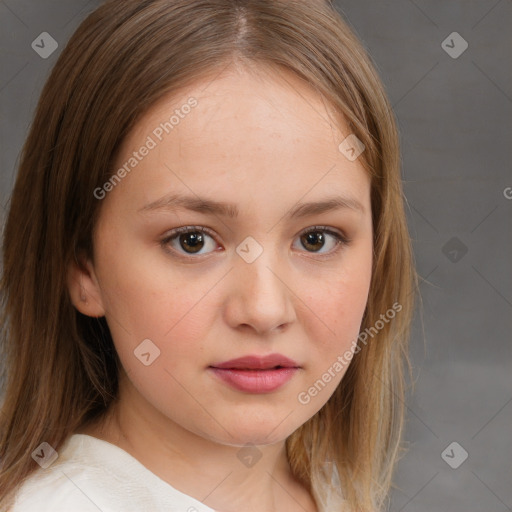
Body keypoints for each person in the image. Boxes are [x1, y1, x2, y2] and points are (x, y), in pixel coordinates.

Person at [0, 1, 417, 511]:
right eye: (192, 241)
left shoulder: (334, 495)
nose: (264, 310)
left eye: (316, 239)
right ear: (83, 266)